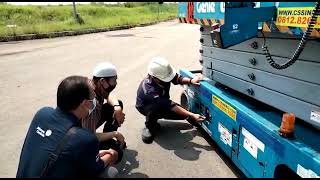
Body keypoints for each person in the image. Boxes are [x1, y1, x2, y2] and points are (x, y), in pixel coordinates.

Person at [16, 76, 118, 178]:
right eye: (93, 98)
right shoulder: (85, 138)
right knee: (111, 172)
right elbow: (97, 168)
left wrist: (92, 156)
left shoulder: (42, 113)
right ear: (85, 103)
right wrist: (111, 155)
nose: (94, 101)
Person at [136, 57, 206, 144]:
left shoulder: (163, 75)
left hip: (163, 102)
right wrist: (192, 115)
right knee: (154, 109)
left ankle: (156, 116)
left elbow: (177, 79)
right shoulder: (150, 90)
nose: (169, 79)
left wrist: (191, 80)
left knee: (183, 115)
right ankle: (150, 126)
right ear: (155, 77)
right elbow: (171, 105)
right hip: (146, 107)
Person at [81, 62, 126, 164]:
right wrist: (115, 134)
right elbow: (88, 135)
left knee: (117, 104)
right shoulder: (92, 104)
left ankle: (106, 139)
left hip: (86, 126)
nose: (115, 84)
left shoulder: (92, 83)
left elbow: (109, 96)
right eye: (114, 80)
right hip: (81, 136)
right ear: (102, 81)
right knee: (117, 154)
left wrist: (117, 108)